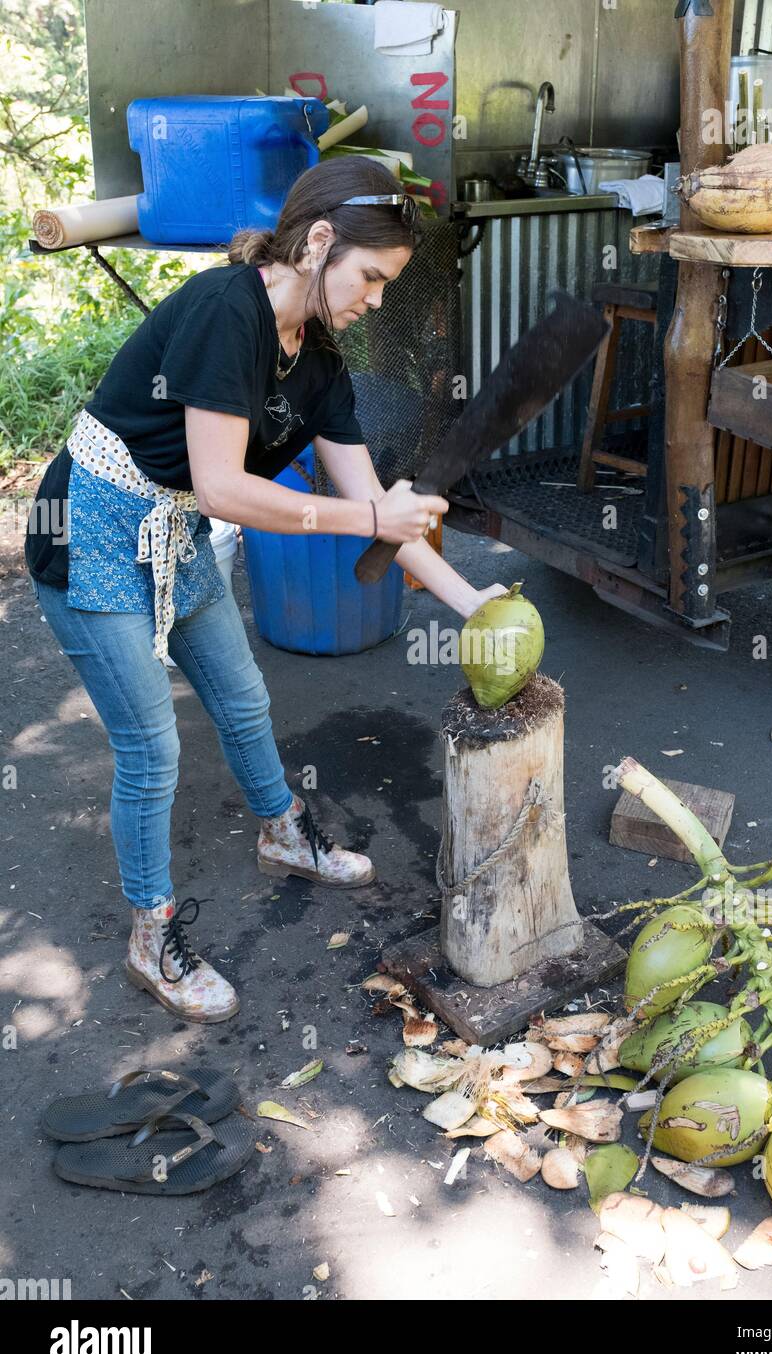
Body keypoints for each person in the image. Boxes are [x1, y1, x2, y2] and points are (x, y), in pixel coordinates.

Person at [25, 155, 506, 1024]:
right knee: (150, 748)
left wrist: (477, 605)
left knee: (244, 700)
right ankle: (151, 938)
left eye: (389, 283)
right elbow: (222, 490)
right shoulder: (224, 311)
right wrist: (364, 524)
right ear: (318, 241)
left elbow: (377, 509)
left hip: (166, 526)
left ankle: (285, 835)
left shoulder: (317, 363)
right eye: (371, 276)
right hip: (91, 526)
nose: (377, 300)